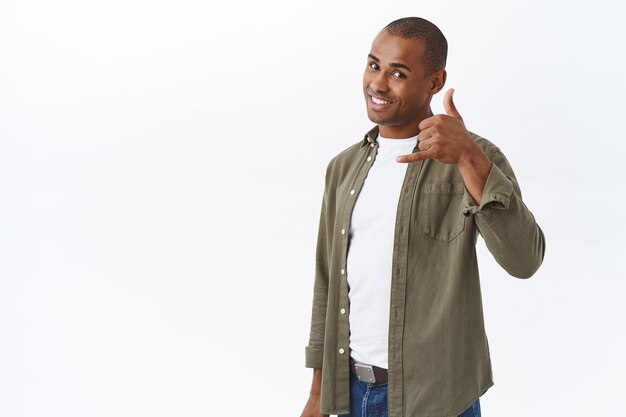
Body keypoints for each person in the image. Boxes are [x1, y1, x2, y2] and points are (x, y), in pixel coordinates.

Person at [300, 17, 545, 417]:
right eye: (374, 65)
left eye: (399, 73)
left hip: (437, 400)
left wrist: (469, 158)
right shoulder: (342, 169)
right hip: (349, 396)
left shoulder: (473, 157)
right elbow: (326, 284)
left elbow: (525, 260)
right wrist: (317, 394)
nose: (378, 84)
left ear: (435, 82)